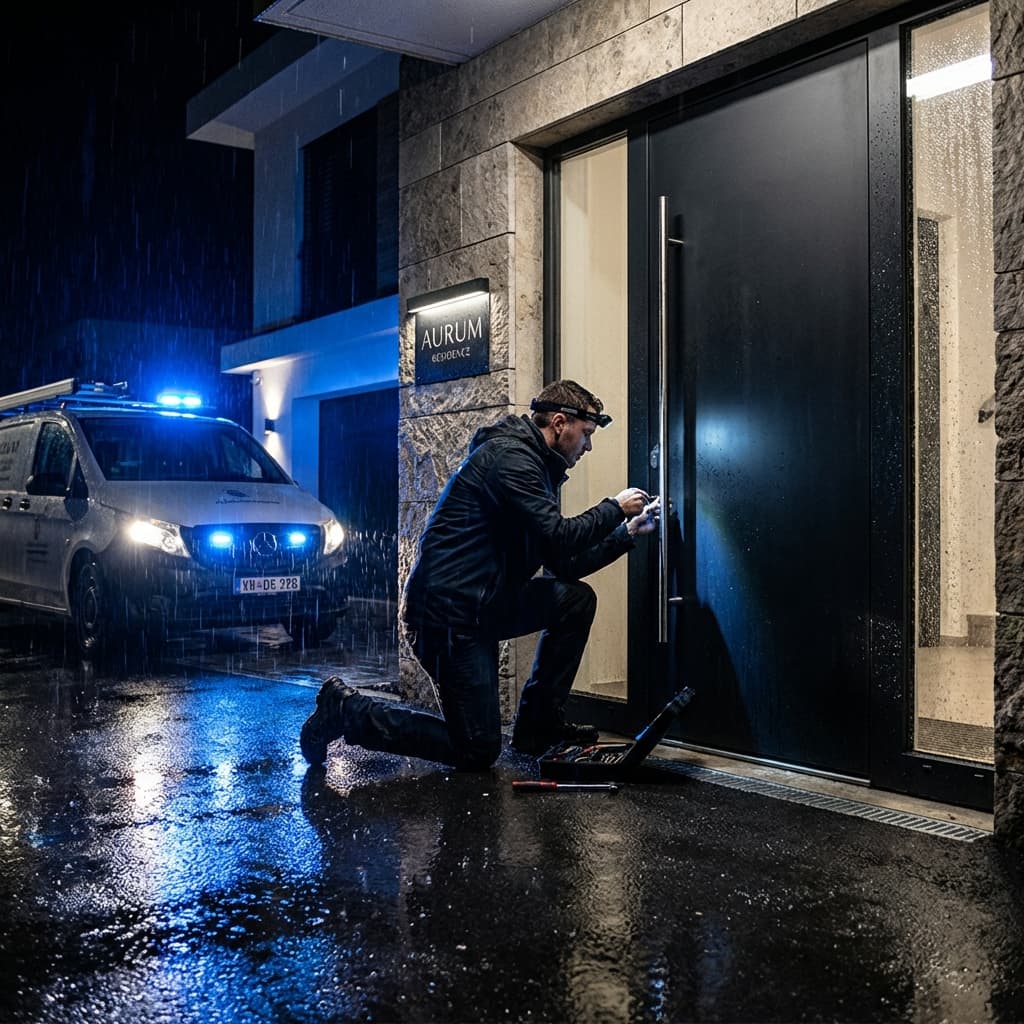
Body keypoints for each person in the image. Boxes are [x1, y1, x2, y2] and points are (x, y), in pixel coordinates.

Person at [300, 379, 660, 771]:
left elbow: (564, 562)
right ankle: (347, 710)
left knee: (575, 599)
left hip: (482, 607)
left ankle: (537, 727)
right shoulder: (511, 460)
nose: (587, 446)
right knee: (476, 748)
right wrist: (614, 507)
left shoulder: (536, 469)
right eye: (586, 434)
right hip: (446, 618)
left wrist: (625, 534)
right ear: (560, 423)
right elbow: (560, 535)